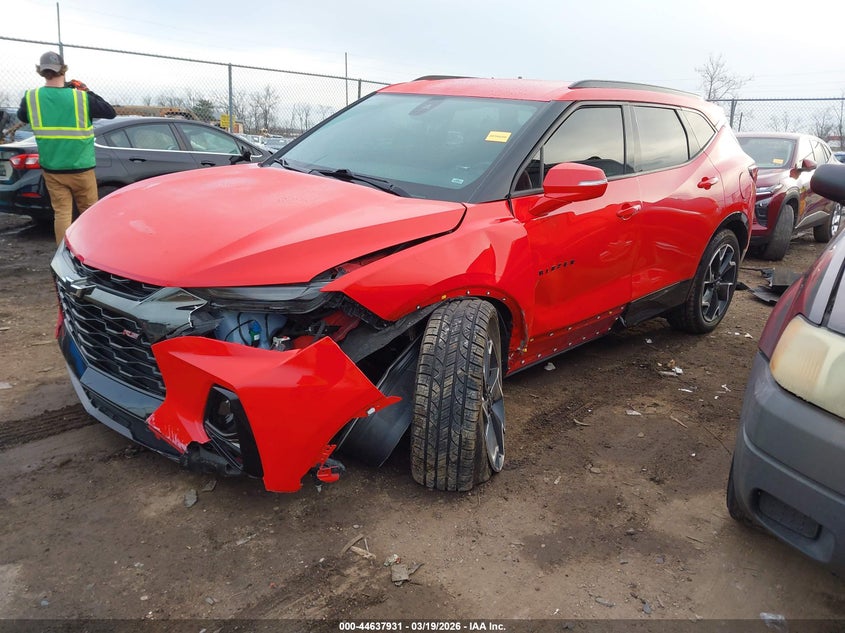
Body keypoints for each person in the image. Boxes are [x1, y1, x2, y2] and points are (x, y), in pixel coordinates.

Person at [17, 51, 116, 243]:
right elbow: (110, 112)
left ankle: (64, 255)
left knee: (62, 212)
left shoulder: (31, 98)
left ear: (41, 71)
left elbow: (22, 117)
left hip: (52, 168)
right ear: (63, 70)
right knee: (89, 212)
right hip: (81, 167)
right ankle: (90, 252)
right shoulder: (80, 97)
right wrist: (86, 91)